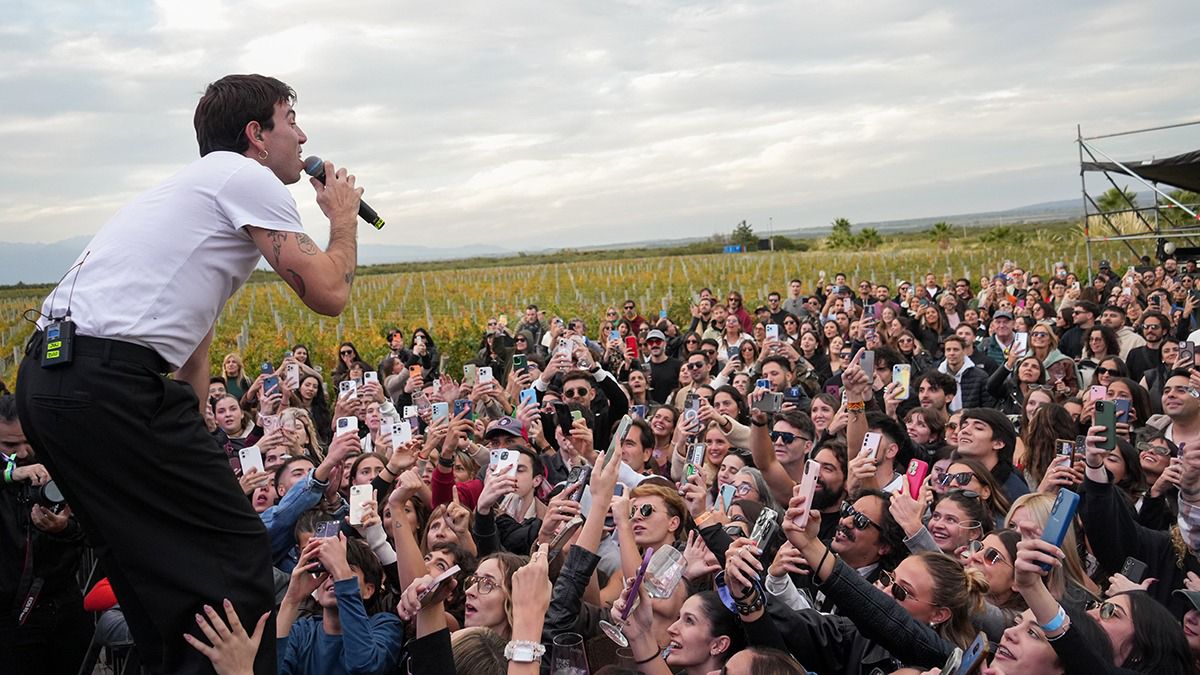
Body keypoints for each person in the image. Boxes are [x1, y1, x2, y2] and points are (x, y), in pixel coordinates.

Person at [15, 74, 365, 674]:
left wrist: (195, 442)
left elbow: (193, 351)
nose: (303, 136)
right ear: (256, 135)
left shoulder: (190, 193)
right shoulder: (246, 177)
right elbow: (329, 292)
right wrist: (343, 218)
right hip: (109, 385)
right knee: (235, 557)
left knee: (153, 575)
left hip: (51, 382)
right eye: (292, 120)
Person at [0, 395, 93, 674]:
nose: (24, 451)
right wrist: (9, 475)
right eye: (9, 445)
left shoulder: (59, 460)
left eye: (28, 440)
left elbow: (94, 532)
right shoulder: (10, 472)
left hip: (63, 604)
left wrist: (65, 528)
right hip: (9, 615)